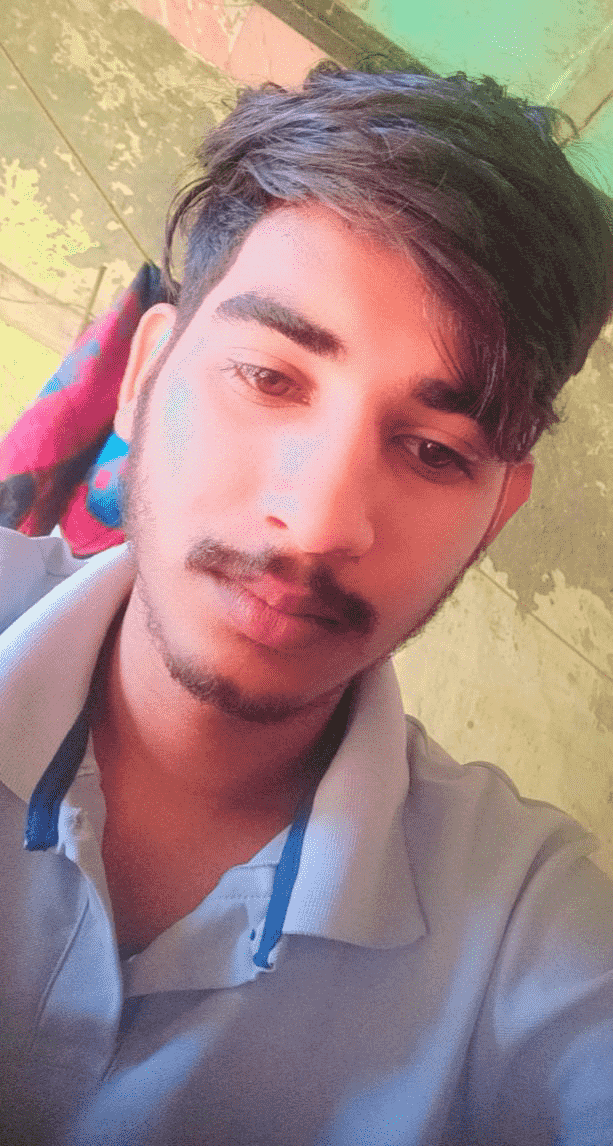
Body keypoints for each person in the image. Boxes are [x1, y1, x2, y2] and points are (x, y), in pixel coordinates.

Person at [1, 65, 612, 1146]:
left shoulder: (521, 930)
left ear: (495, 513)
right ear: (145, 374)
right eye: (269, 377)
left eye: (433, 450)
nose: (321, 521)